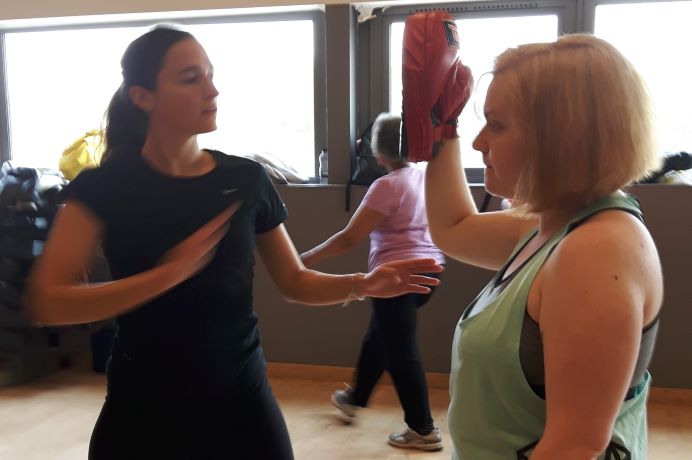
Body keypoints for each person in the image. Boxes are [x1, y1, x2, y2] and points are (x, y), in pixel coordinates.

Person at [24, 26, 443, 460]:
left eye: (211, 74)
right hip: (143, 405)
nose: (213, 89)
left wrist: (364, 284)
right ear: (142, 96)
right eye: (191, 78)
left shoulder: (245, 180)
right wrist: (164, 276)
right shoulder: (100, 188)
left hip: (241, 395)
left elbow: (295, 281)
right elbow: (49, 302)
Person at [423, 34, 663, 459]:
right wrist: (442, 127)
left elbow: (573, 447)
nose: (480, 143)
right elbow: (454, 227)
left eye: (496, 125)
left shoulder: (596, 250)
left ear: (562, 137)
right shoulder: (554, 226)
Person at [300, 112, 446, 451]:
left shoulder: (386, 186)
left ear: (379, 154)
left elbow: (350, 238)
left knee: (400, 351)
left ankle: (423, 429)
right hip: (430, 273)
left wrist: (306, 259)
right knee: (381, 336)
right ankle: (355, 398)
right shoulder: (425, 178)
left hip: (394, 278)